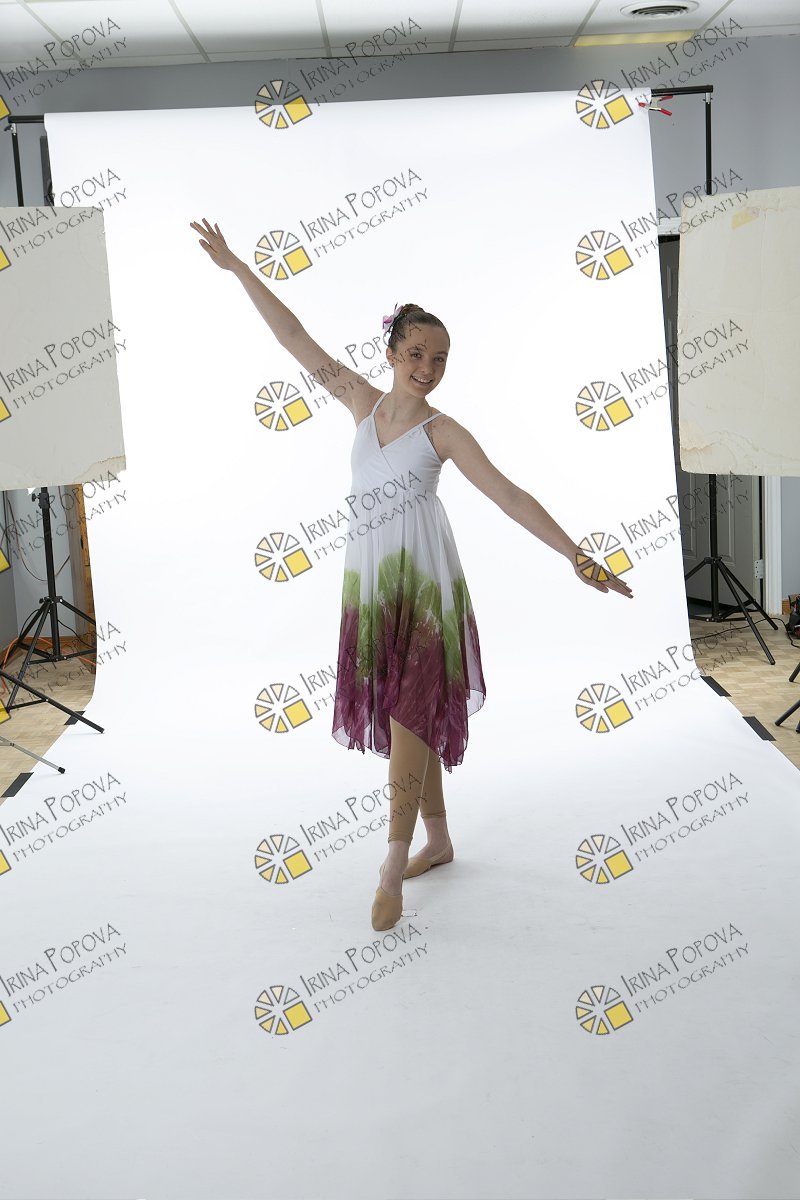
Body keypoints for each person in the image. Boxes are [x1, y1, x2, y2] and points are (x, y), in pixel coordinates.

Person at [190, 217, 634, 934]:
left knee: (408, 715)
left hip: (426, 594)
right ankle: (439, 840)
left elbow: (511, 495)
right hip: (373, 592)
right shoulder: (360, 404)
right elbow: (294, 336)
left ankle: (392, 864)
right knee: (411, 717)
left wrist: (577, 555)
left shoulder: (442, 432)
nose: (428, 367)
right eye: (418, 354)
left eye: (441, 358)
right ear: (392, 352)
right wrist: (239, 267)